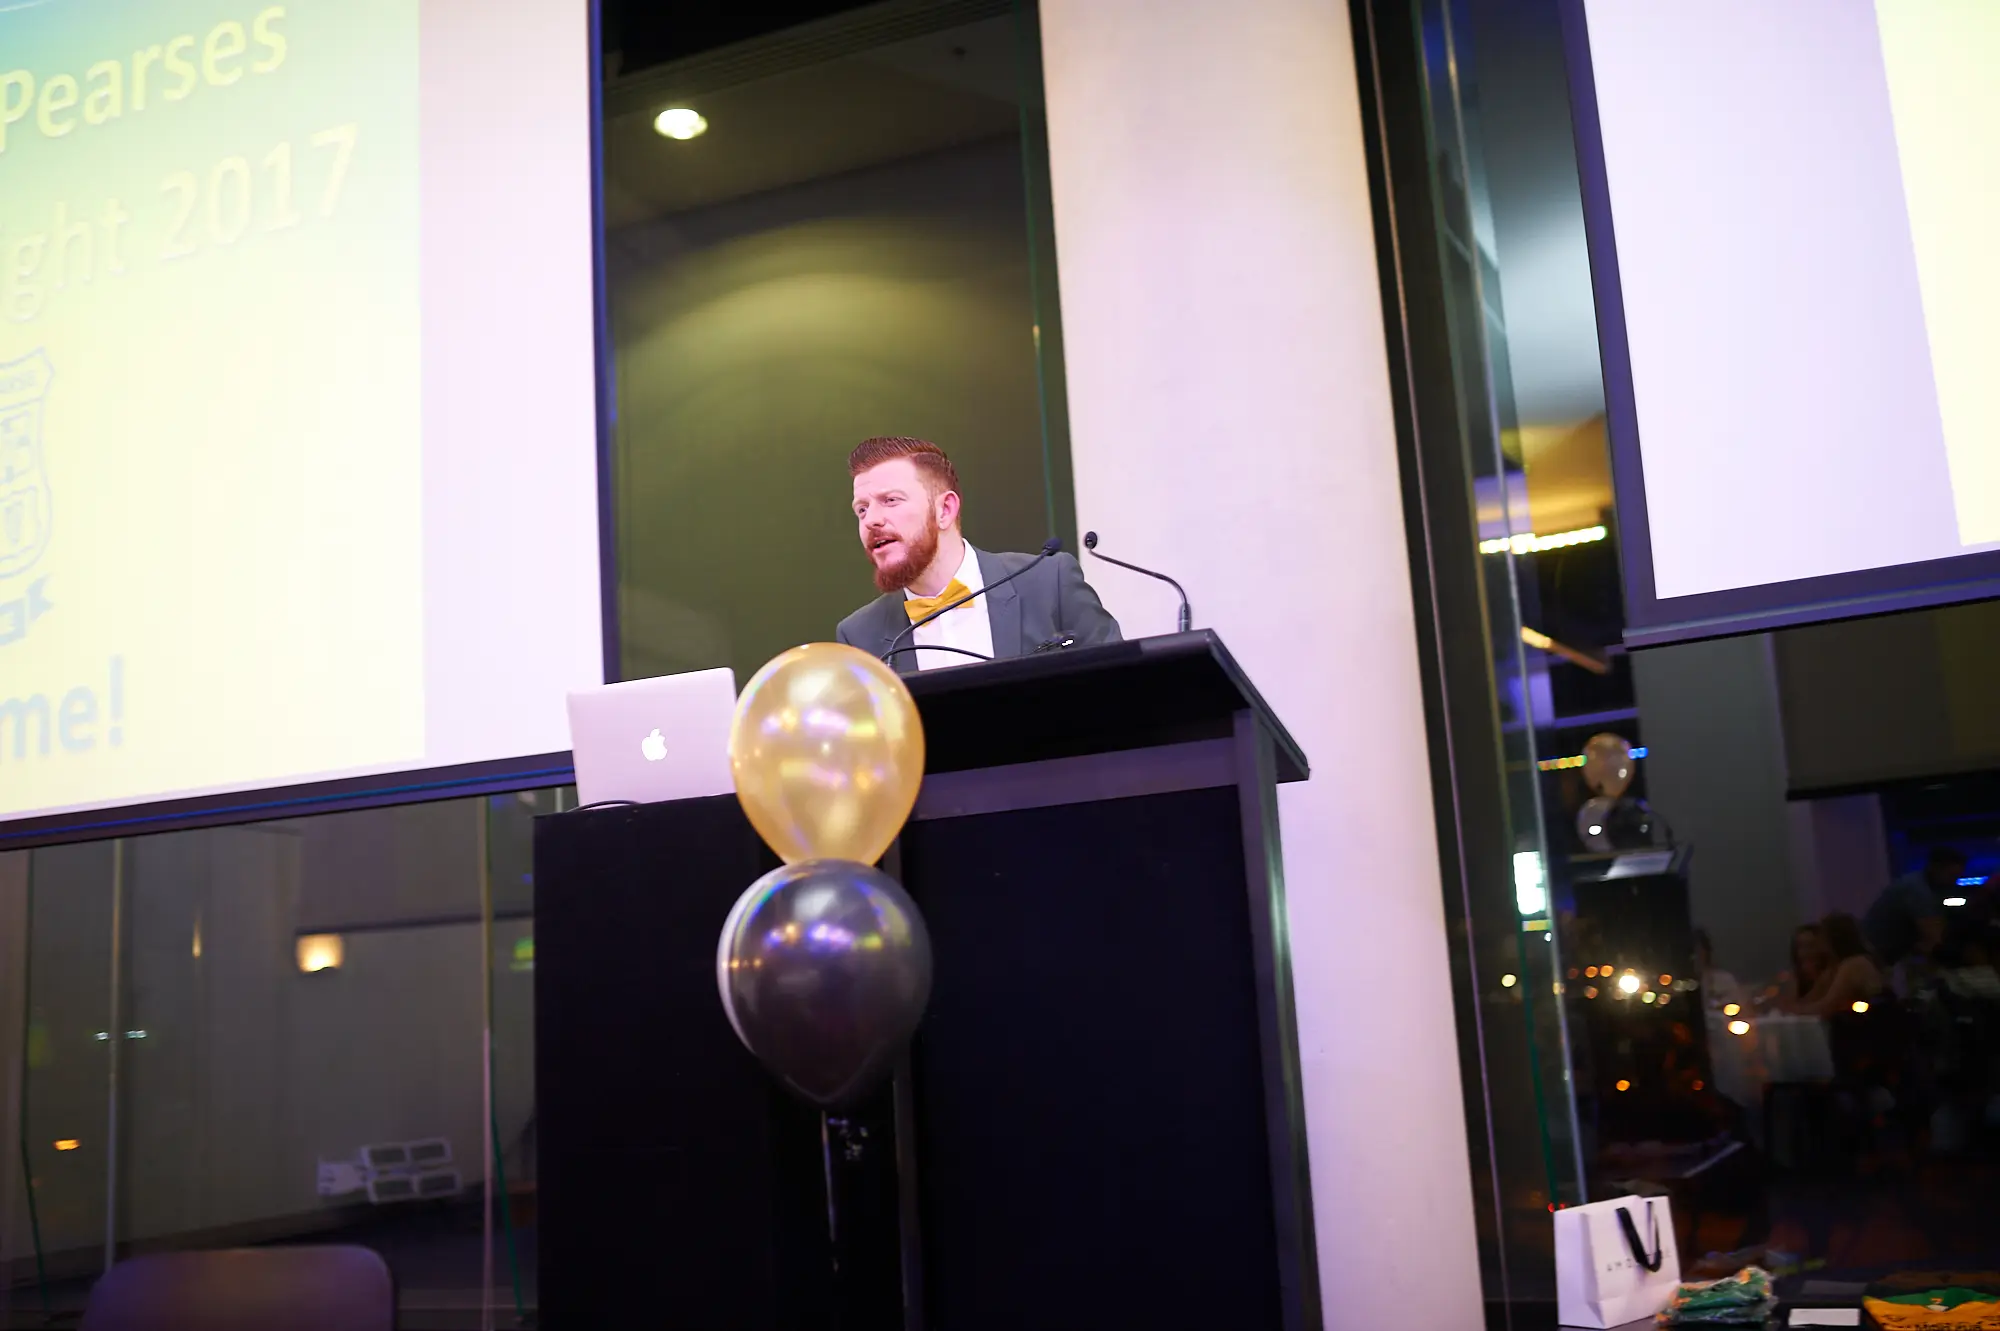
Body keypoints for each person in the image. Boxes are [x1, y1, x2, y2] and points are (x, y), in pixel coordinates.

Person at [835, 436, 1121, 671]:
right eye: (862, 509)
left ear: (944, 510)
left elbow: (1121, 687)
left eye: (890, 500)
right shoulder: (858, 636)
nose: (871, 520)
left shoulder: (1050, 583)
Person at [1862, 846, 1968, 972]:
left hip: (1882, 954)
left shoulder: (1933, 889)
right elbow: (1933, 935)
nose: (1953, 882)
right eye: (1951, 876)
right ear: (1935, 868)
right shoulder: (1916, 889)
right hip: (1871, 955)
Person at [1782, 913, 1884, 1018]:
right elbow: (1809, 1000)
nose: (1819, 945)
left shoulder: (1854, 965)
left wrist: (1792, 1011)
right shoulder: (1835, 968)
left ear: (1832, 940)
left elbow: (1827, 1007)